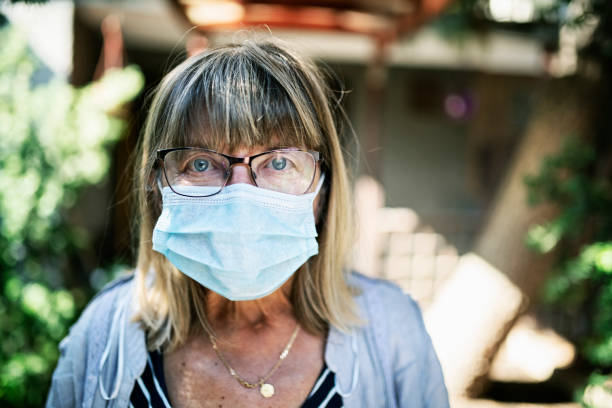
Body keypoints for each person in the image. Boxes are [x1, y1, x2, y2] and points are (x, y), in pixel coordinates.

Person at [46, 38, 449, 408]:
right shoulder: (103, 334)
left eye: (278, 162)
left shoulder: (393, 332)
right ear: (157, 185)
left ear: (323, 188)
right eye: (201, 163)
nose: (241, 196)